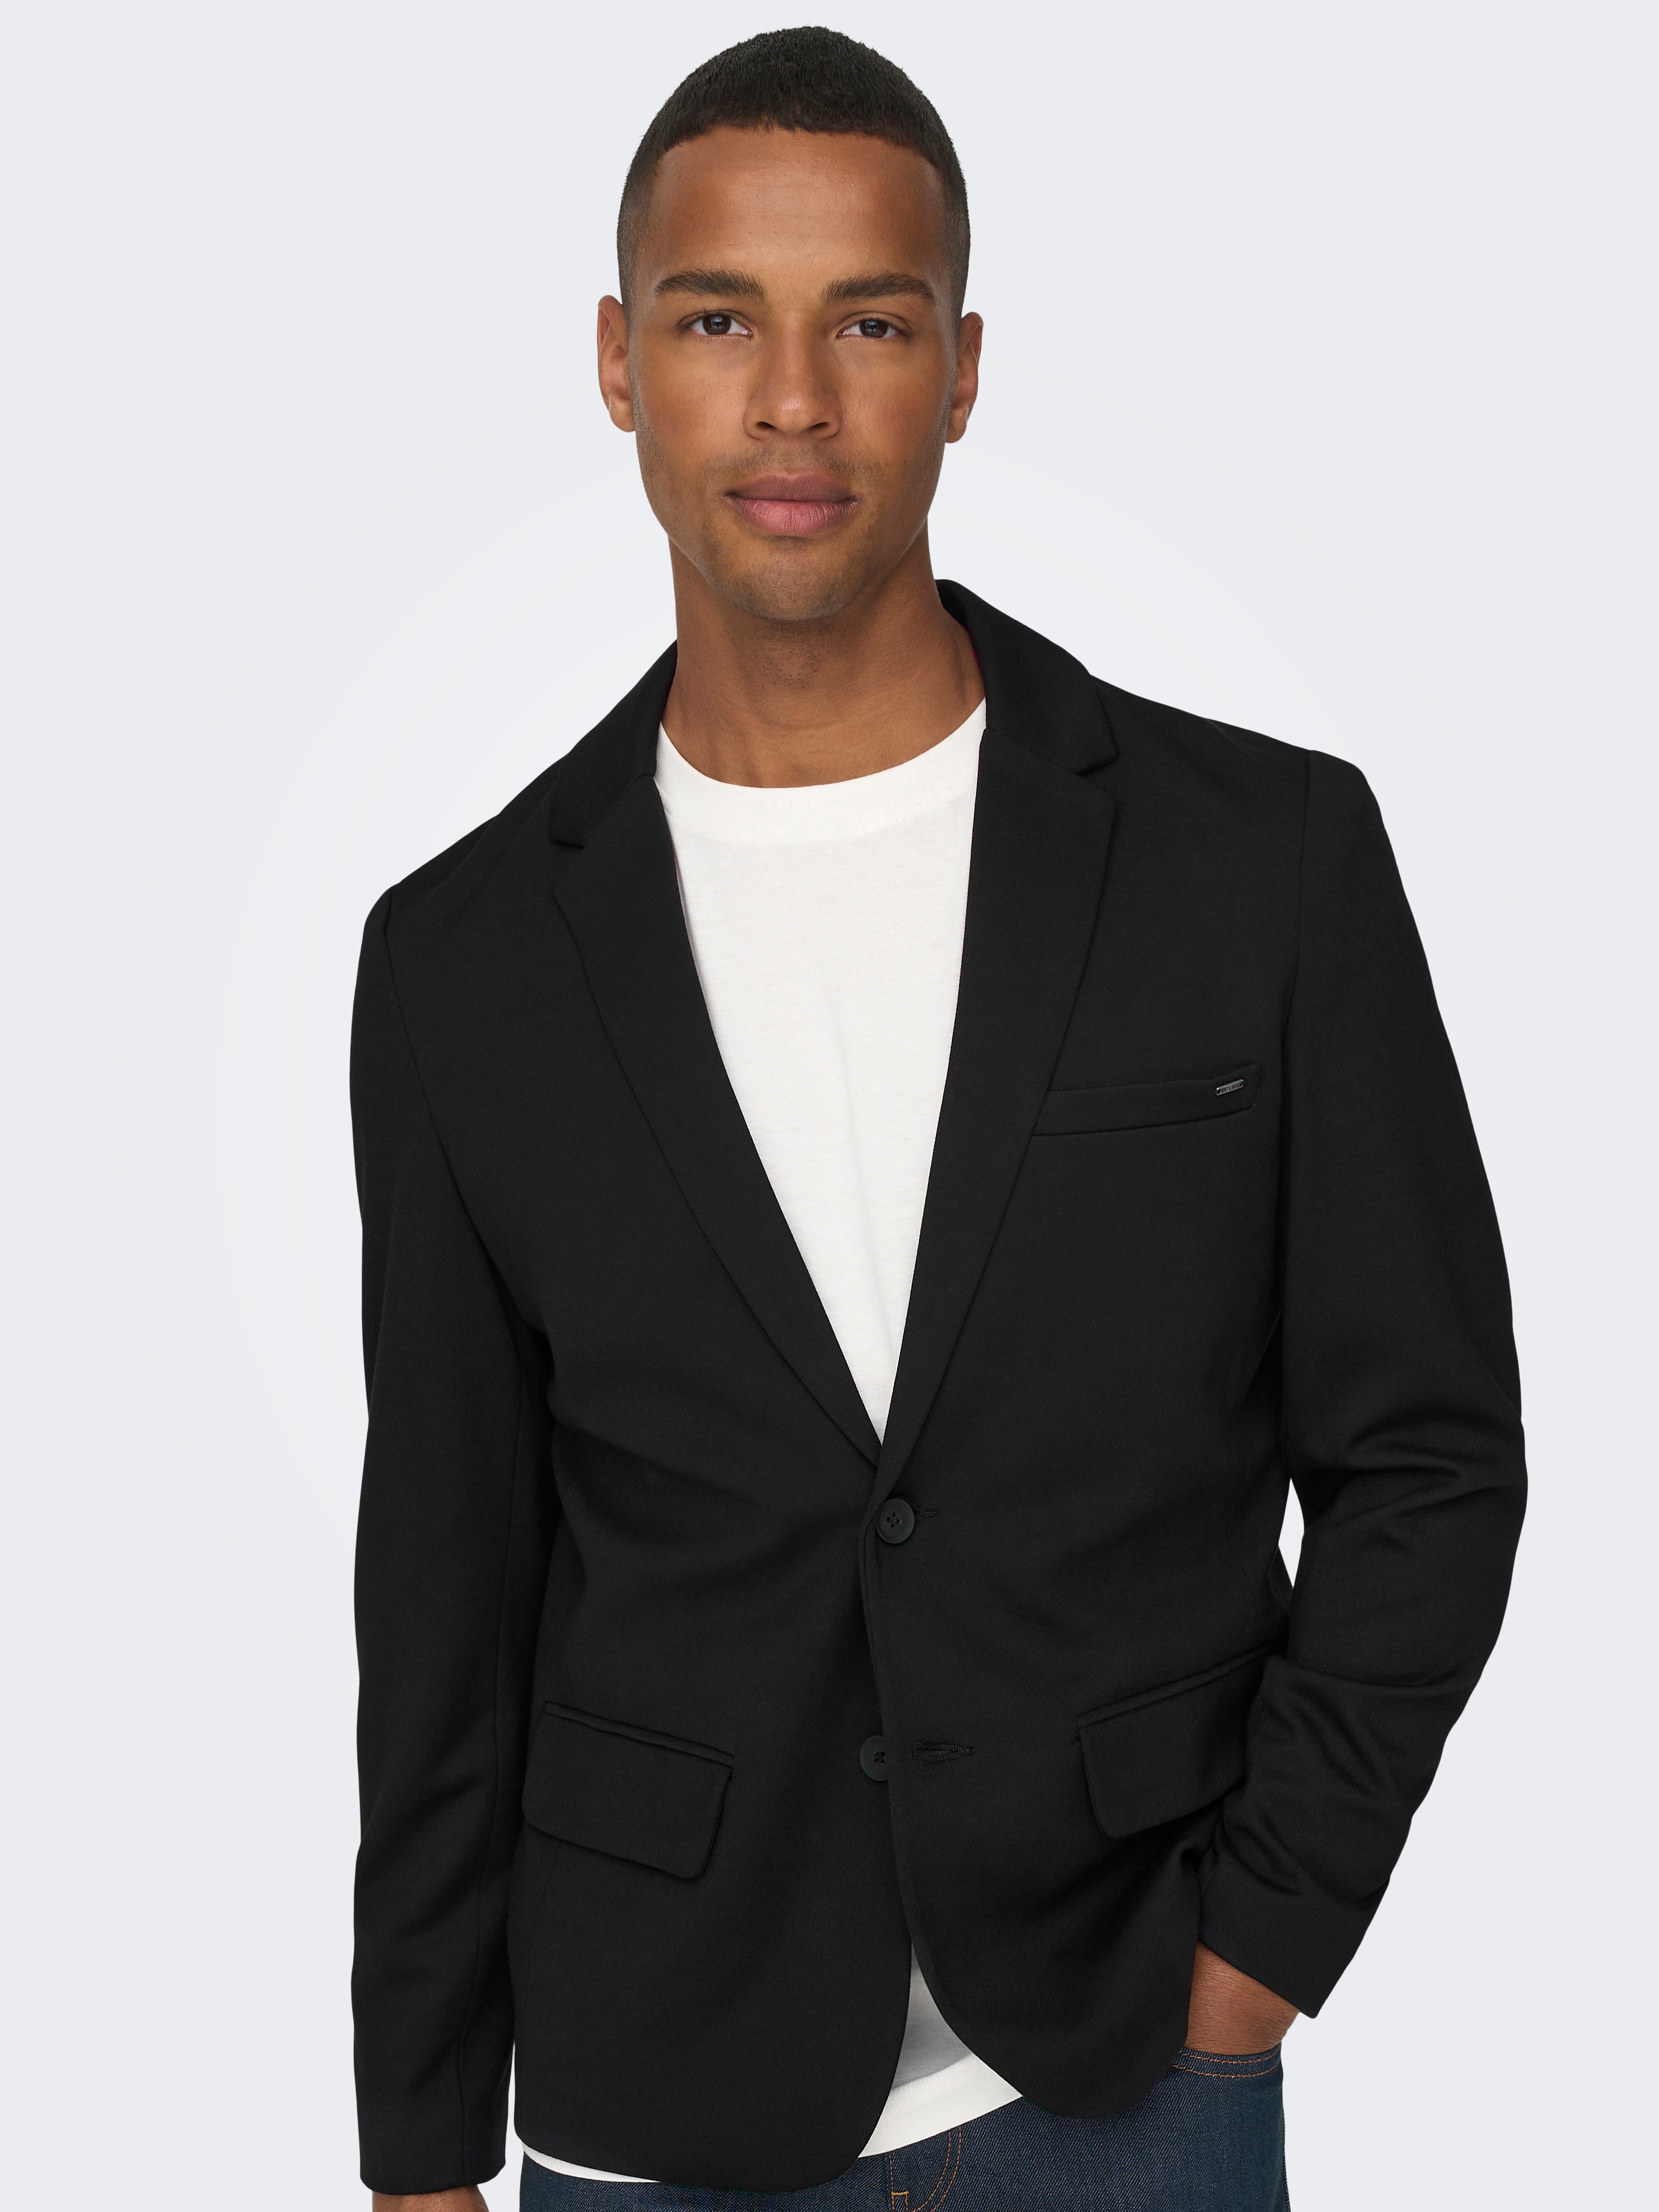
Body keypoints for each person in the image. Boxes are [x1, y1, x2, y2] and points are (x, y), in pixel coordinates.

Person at [350, 28, 1526, 2212]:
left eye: (869, 323)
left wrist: (1255, 1953)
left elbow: (1428, 1455)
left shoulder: (1253, 860)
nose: (791, 399)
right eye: (718, 319)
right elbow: (443, 1587)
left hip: (1121, 2067)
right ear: (618, 362)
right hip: (652, 2099)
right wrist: (418, 2141)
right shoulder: (461, 961)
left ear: (962, 368)